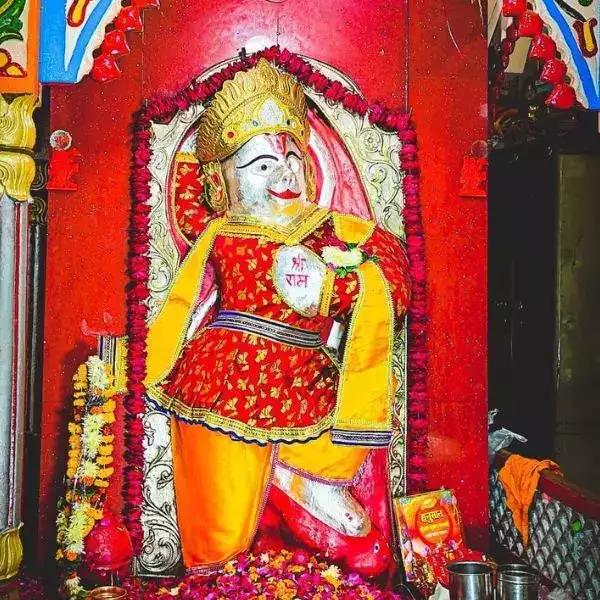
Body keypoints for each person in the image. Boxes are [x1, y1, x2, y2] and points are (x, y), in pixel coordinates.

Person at [144, 58, 411, 575]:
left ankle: (303, 532)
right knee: (223, 543)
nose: (284, 173)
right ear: (222, 181)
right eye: (262, 165)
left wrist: (333, 289)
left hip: (311, 386)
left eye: (291, 158)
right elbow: (178, 305)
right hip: (220, 386)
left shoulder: (334, 229)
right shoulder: (218, 233)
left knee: (361, 544)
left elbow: (394, 275)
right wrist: (138, 377)